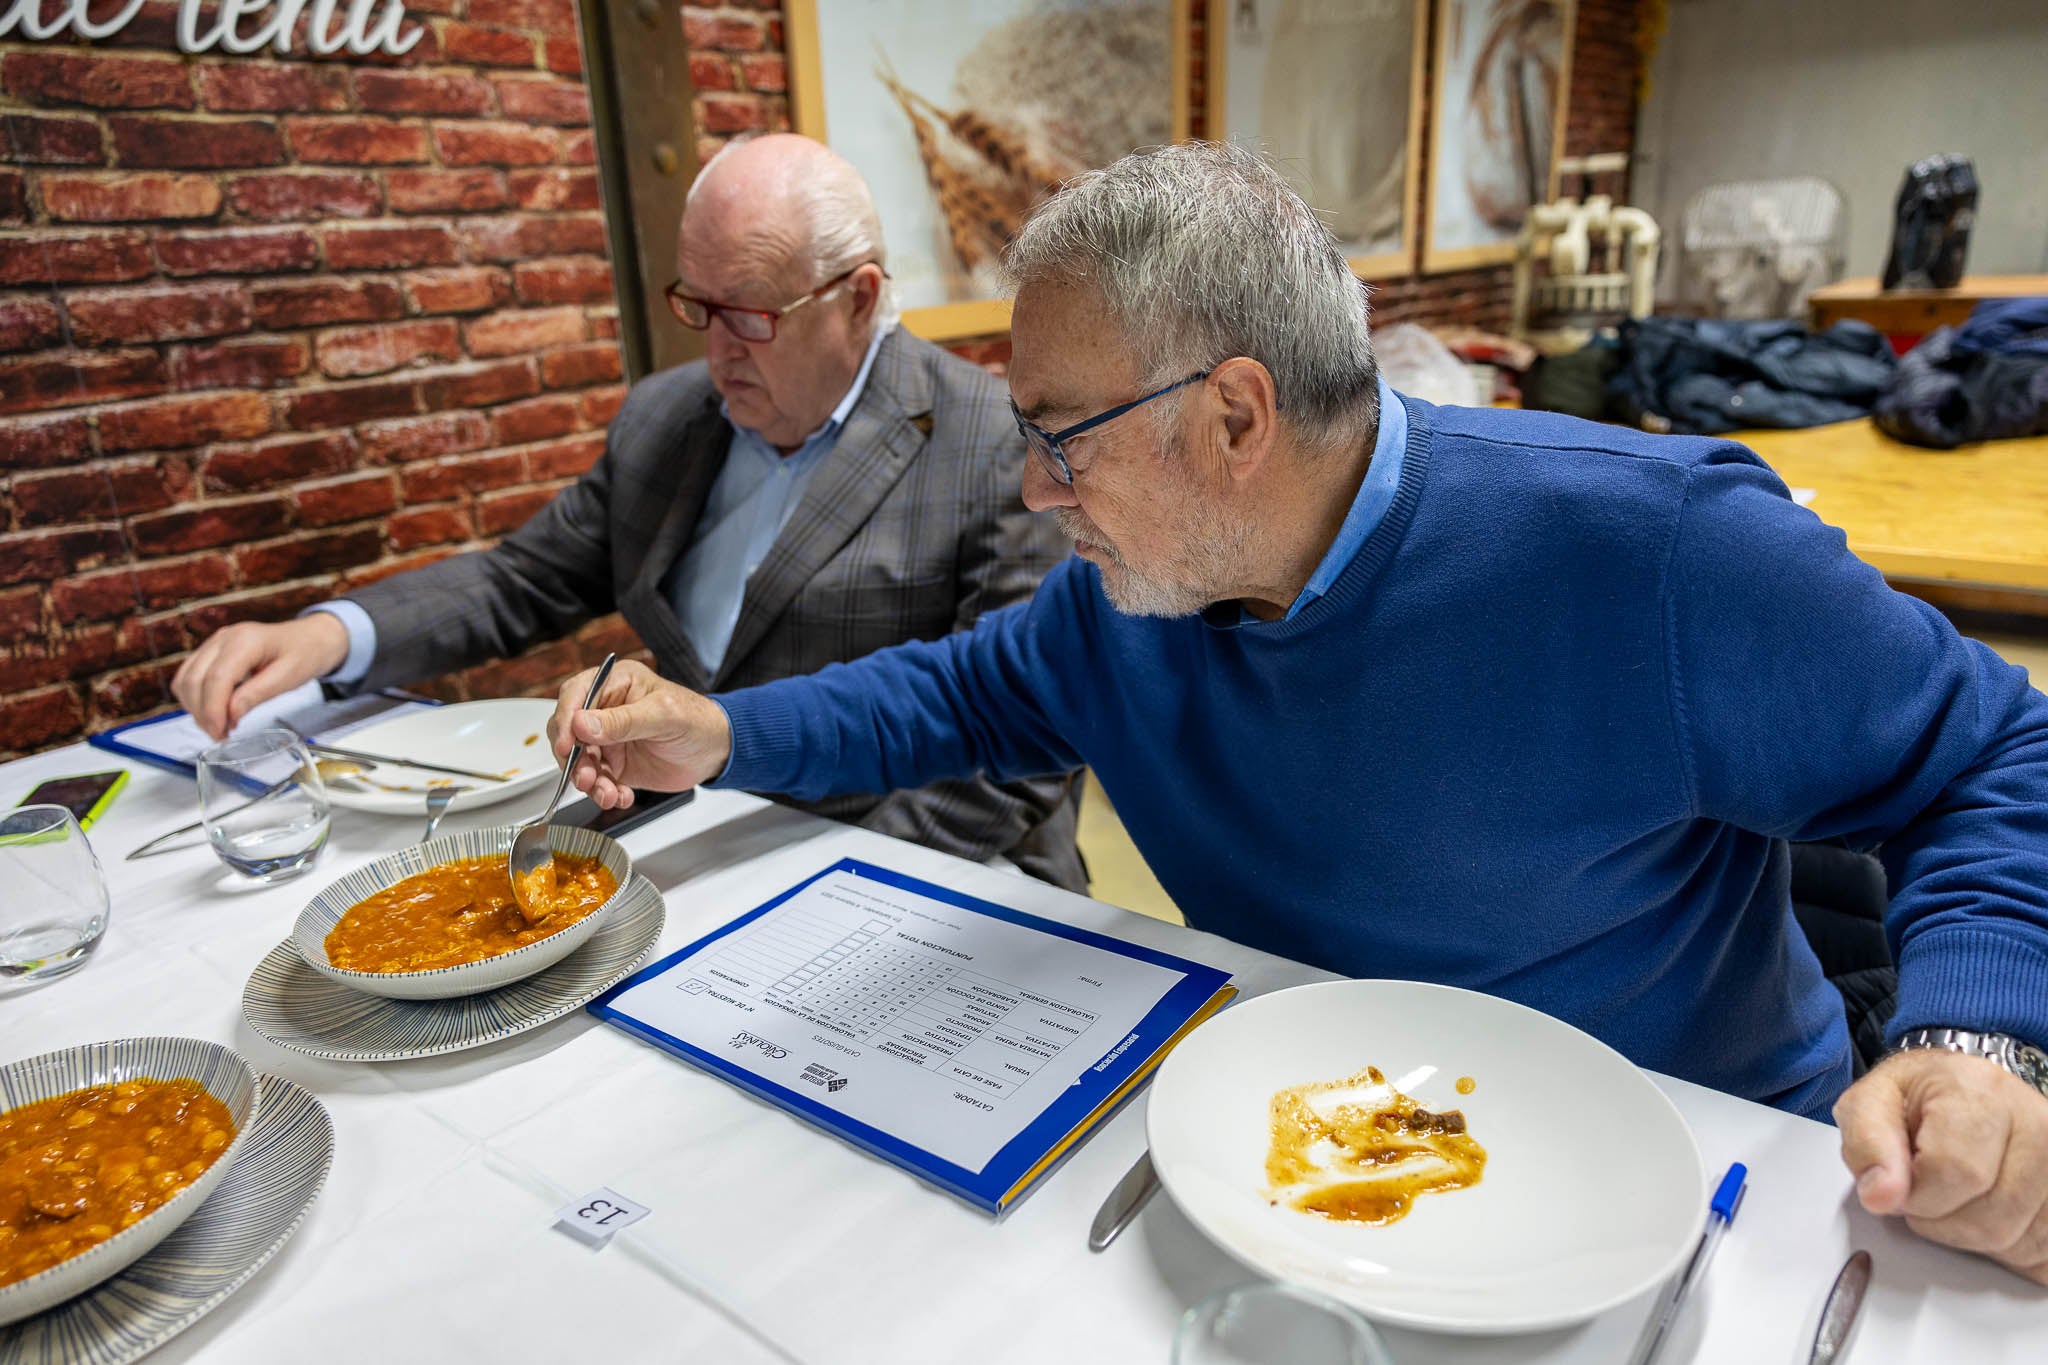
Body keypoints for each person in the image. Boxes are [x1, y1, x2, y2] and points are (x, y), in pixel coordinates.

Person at [543, 143, 2048, 1284]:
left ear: (1238, 418)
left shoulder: (1653, 547)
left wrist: (1984, 1038)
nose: (1031, 490)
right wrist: (723, 731)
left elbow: (1993, 747)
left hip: (1710, 1187)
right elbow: (954, 694)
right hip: (1326, 1175)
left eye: (1062, 437)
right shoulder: (1125, 601)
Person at [169, 134, 1084, 890]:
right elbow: (522, 577)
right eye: (698, 303)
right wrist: (331, 637)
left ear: (861, 297)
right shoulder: (668, 417)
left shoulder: (993, 445)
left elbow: (1016, 742)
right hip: (684, 843)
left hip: (914, 874)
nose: (719, 350)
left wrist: (830, 894)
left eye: (753, 314)